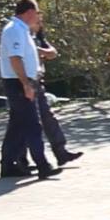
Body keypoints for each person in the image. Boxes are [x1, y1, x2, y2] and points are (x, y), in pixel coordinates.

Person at [0, 0, 57, 180]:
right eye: (37, 13)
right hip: (18, 82)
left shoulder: (23, 30)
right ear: (29, 12)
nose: (37, 17)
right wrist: (26, 84)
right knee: (33, 125)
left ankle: (7, 166)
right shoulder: (14, 30)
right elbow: (15, 59)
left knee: (16, 126)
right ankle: (42, 165)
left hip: (22, 80)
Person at [14, 13, 82, 169]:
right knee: (26, 122)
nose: (40, 24)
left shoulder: (37, 37)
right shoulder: (21, 34)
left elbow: (52, 52)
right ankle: (20, 159)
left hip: (38, 81)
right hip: (24, 82)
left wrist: (39, 50)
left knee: (48, 118)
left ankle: (61, 152)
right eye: (38, 21)